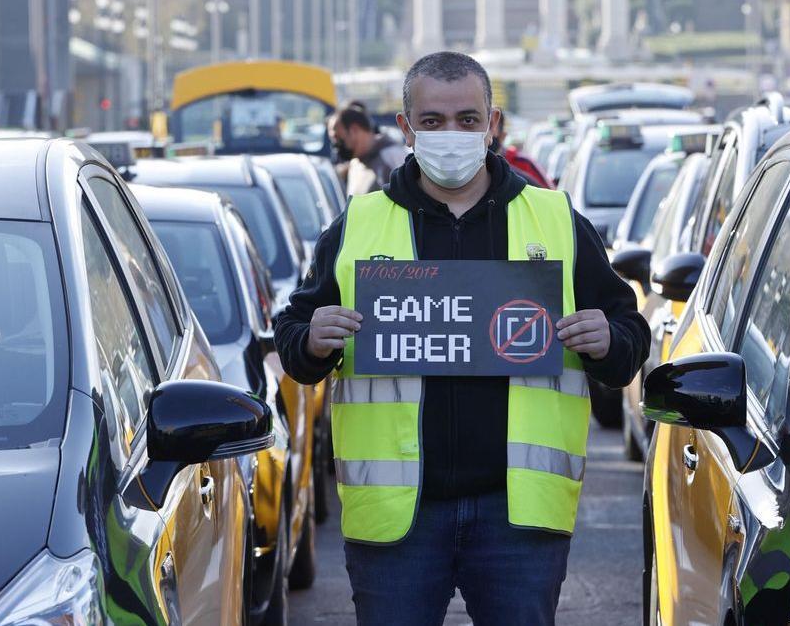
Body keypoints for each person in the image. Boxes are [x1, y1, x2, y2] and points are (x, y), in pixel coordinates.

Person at [275, 51, 650, 626]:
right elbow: (294, 338)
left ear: (492, 125)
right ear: (405, 129)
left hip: (518, 518)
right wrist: (312, 340)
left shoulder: (554, 220)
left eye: (467, 120)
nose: (452, 134)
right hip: (398, 520)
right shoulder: (357, 225)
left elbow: (628, 337)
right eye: (433, 121)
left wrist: (609, 339)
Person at [329, 102, 410, 196]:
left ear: (354, 130)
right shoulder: (355, 162)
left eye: (337, 137)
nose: (335, 145)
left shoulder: (391, 158)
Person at [491, 110, 552, 189]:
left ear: (503, 136)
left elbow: (547, 194)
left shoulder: (522, 163)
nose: (488, 140)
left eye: (492, 132)